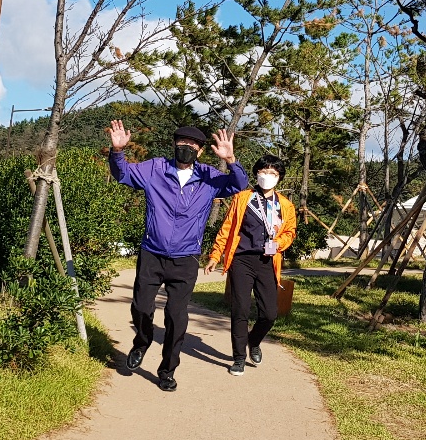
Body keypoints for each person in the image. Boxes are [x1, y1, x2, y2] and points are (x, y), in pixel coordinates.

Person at [109, 120, 246, 392]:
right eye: (183, 143)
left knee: (176, 316)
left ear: (201, 151)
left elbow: (240, 185)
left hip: (185, 258)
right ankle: (142, 342)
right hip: (152, 252)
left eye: (193, 145)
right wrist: (117, 151)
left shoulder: (208, 177)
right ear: (174, 145)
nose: (187, 147)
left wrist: (230, 159)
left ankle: (167, 371)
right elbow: (122, 173)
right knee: (141, 307)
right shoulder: (155, 169)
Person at [206, 154, 297, 376]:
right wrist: (215, 255)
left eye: (273, 173)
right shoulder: (242, 198)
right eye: (264, 171)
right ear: (257, 173)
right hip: (241, 260)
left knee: (269, 314)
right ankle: (238, 358)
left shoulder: (285, 205)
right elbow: (227, 228)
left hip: (268, 261)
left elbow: (290, 232)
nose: (268, 176)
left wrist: (279, 244)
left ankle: (253, 341)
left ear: (279, 177)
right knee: (240, 310)